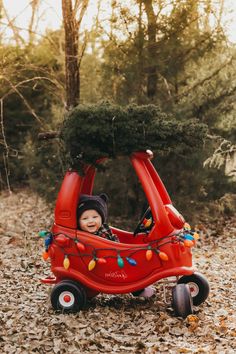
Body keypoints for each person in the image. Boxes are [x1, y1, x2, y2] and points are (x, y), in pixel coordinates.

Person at [77, 193, 155, 298]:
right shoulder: (84, 237)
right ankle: (138, 290)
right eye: (85, 219)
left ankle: (139, 286)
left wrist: (120, 245)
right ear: (78, 222)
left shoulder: (104, 229)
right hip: (105, 266)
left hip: (113, 257)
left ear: (102, 218)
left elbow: (113, 240)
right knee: (128, 269)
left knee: (131, 263)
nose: (90, 221)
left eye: (95, 217)